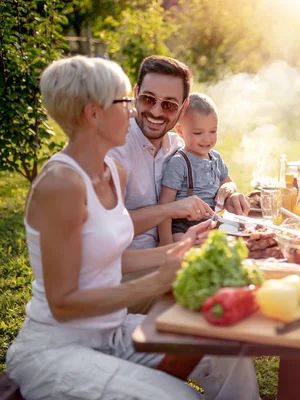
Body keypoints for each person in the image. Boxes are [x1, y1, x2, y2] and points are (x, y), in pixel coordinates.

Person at [6, 56, 259, 400]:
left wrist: (182, 247)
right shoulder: (60, 185)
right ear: (93, 114)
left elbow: (111, 260)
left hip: (110, 330)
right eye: (126, 100)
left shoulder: (113, 172)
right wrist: (157, 281)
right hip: (57, 348)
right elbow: (62, 303)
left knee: (229, 354)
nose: (133, 112)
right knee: (181, 397)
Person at [108, 55, 249, 251]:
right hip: (133, 266)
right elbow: (109, 229)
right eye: (148, 99)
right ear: (136, 94)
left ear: (183, 109)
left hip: (181, 250)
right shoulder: (114, 151)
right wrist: (169, 211)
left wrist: (232, 193)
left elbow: (223, 178)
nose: (156, 112)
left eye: (169, 105)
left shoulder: (178, 145)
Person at [158, 93, 236, 245]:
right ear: (180, 131)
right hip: (183, 228)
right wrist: (167, 244)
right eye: (198, 133)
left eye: (213, 131)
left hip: (210, 224)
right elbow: (164, 207)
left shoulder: (215, 158)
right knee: (189, 252)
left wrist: (229, 188)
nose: (207, 139)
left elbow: (230, 183)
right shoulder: (179, 162)